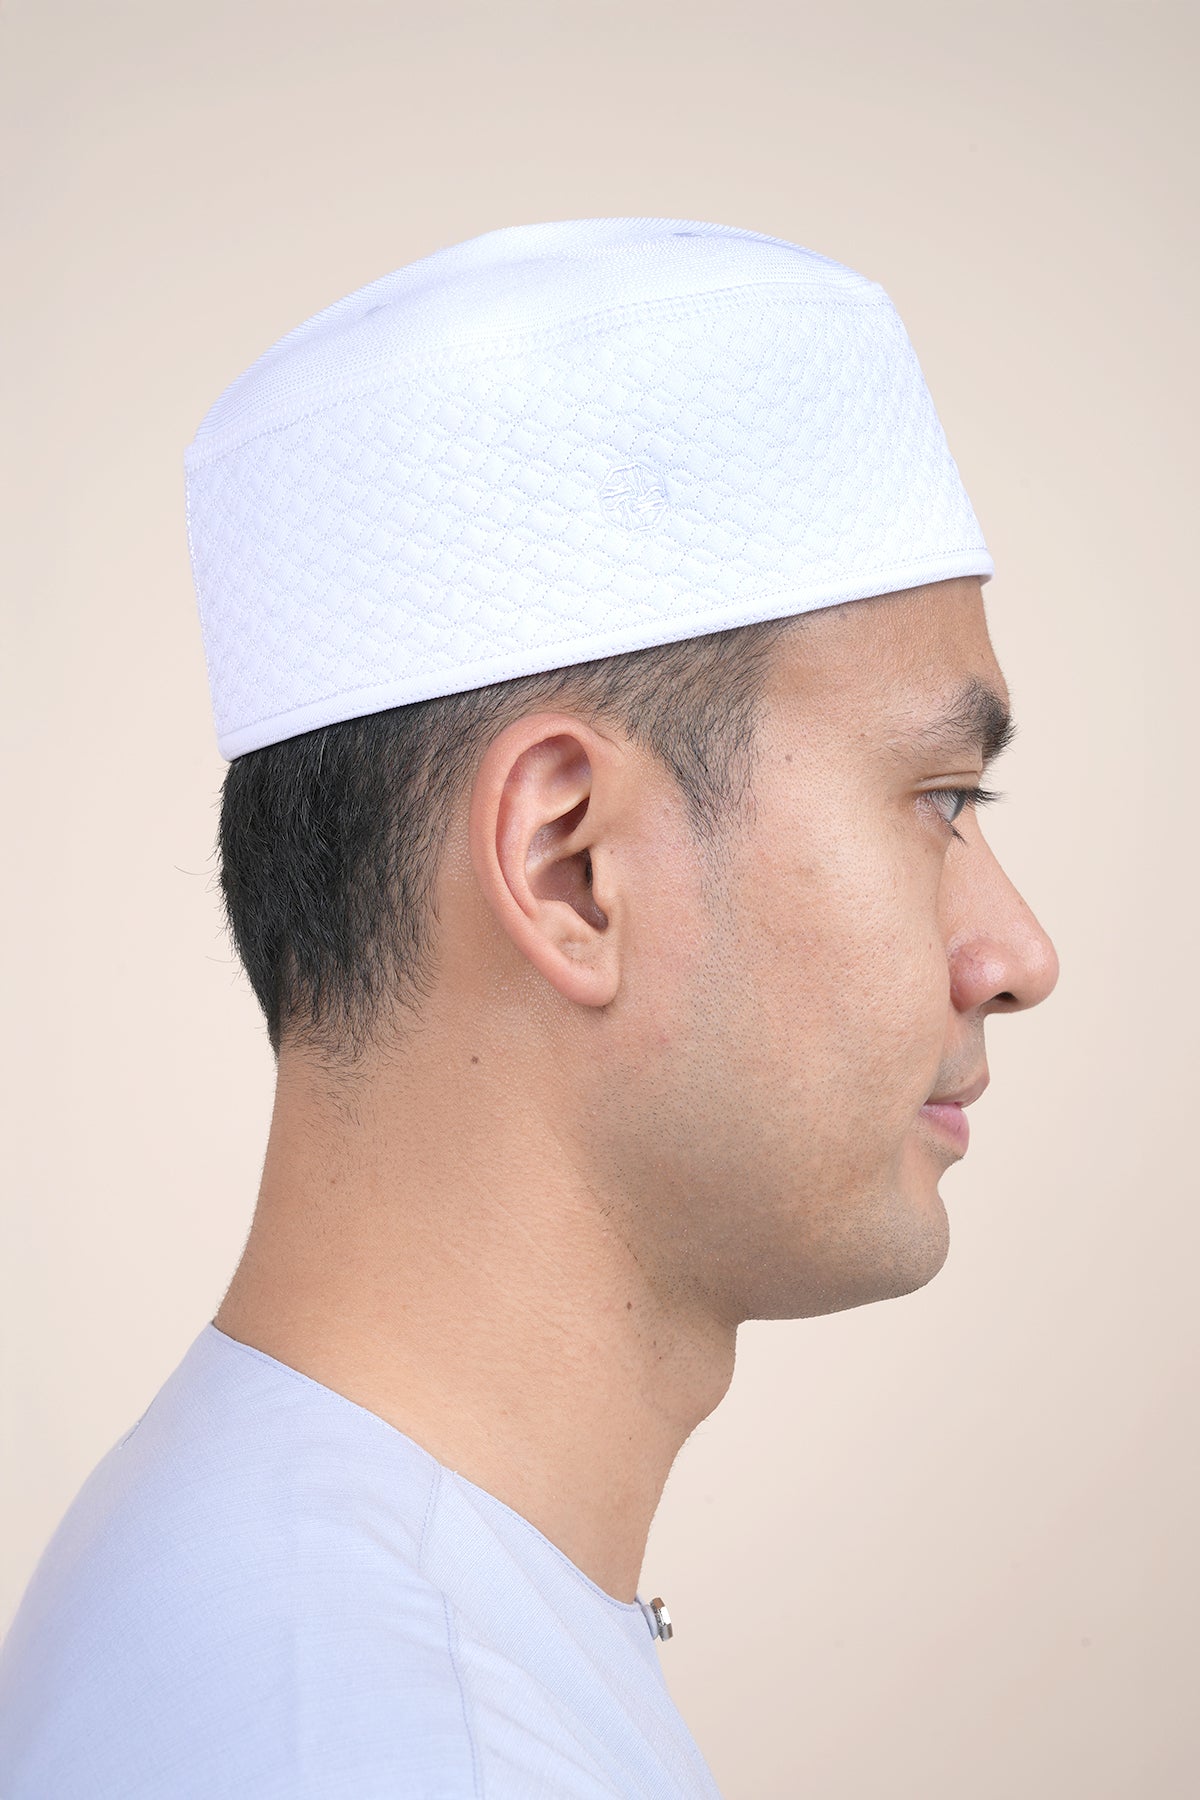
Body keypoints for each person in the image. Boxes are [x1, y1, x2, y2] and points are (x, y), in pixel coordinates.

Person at [0, 217, 1058, 1798]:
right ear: (571, 866)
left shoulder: (291, 1600)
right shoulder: (393, 1739)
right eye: (941, 799)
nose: (1017, 953)